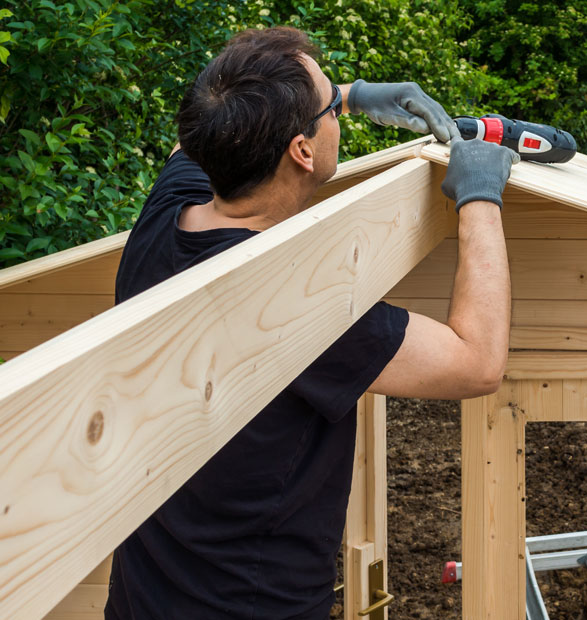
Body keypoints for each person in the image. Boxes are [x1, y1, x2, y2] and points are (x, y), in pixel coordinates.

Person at [105, 27, 516, 619]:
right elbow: (476, 362)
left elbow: (194, 137)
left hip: (141, 601)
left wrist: (348, 95)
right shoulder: (291, 303)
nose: (341, 114)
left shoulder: (167, 217)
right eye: (332, 109)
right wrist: (479, 196)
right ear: (302, 151)